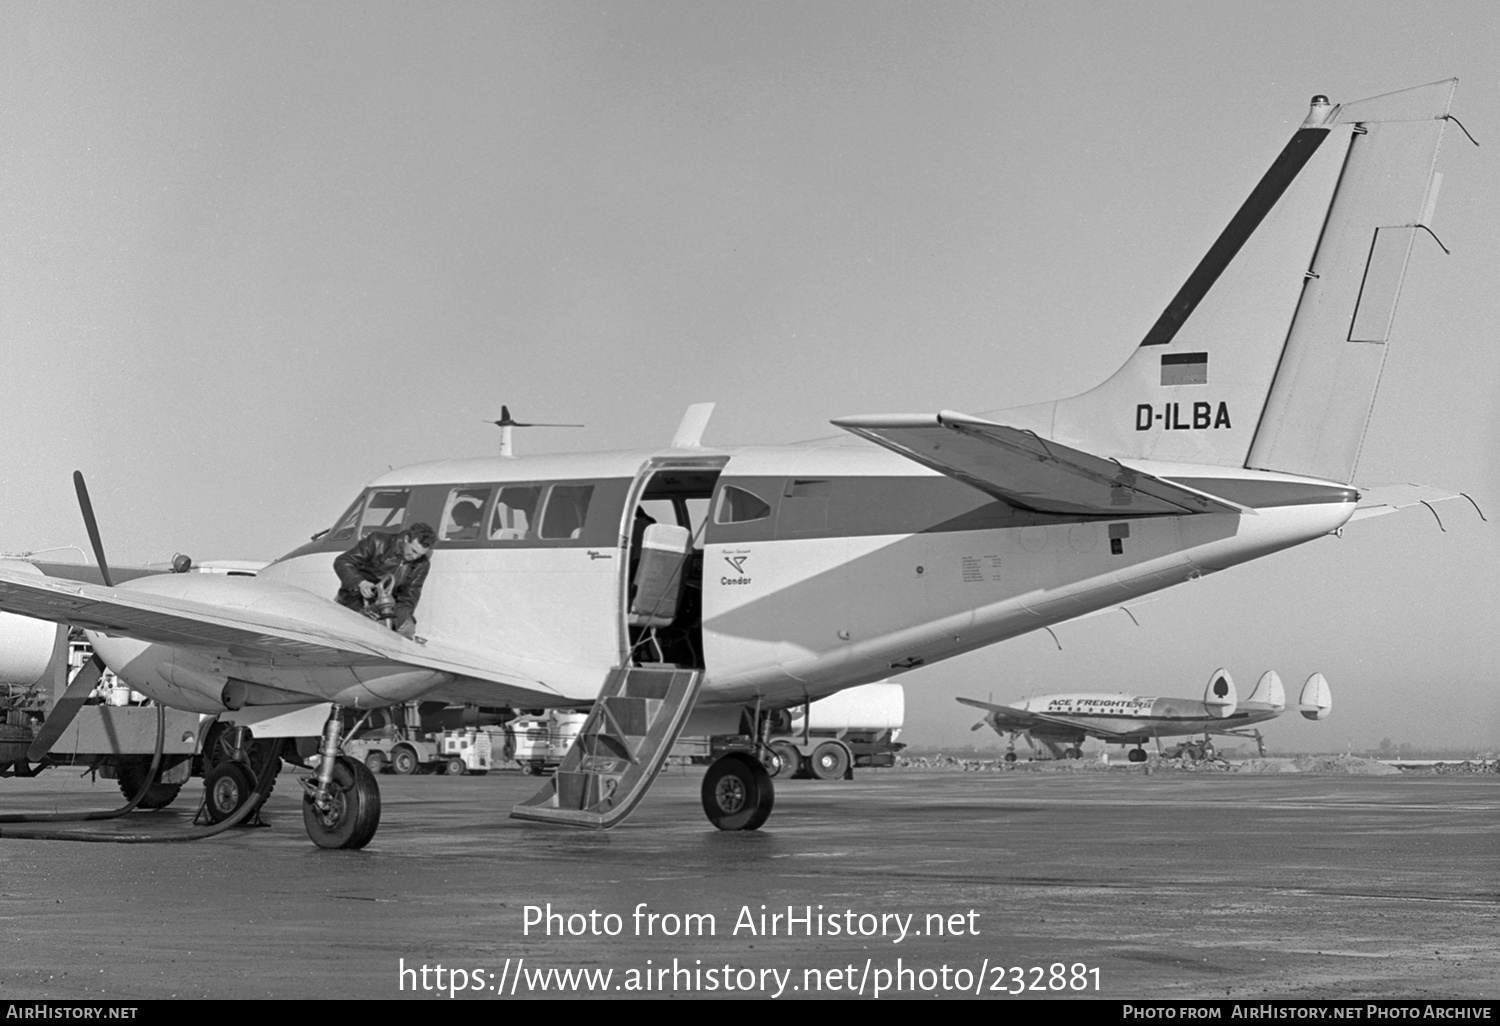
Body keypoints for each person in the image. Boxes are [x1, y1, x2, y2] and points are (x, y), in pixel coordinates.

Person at [334, 522, 436, 638]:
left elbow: (410, 598)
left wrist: (391, 624)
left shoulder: (422, 564)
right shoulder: (377, 541)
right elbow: (343, 561)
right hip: (357, 600)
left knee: (406, 629)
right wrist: (360, 582)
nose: (415, 557)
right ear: (406, 539)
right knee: (354, 628)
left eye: (420, 554)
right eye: (413, 551)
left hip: (388, 607)